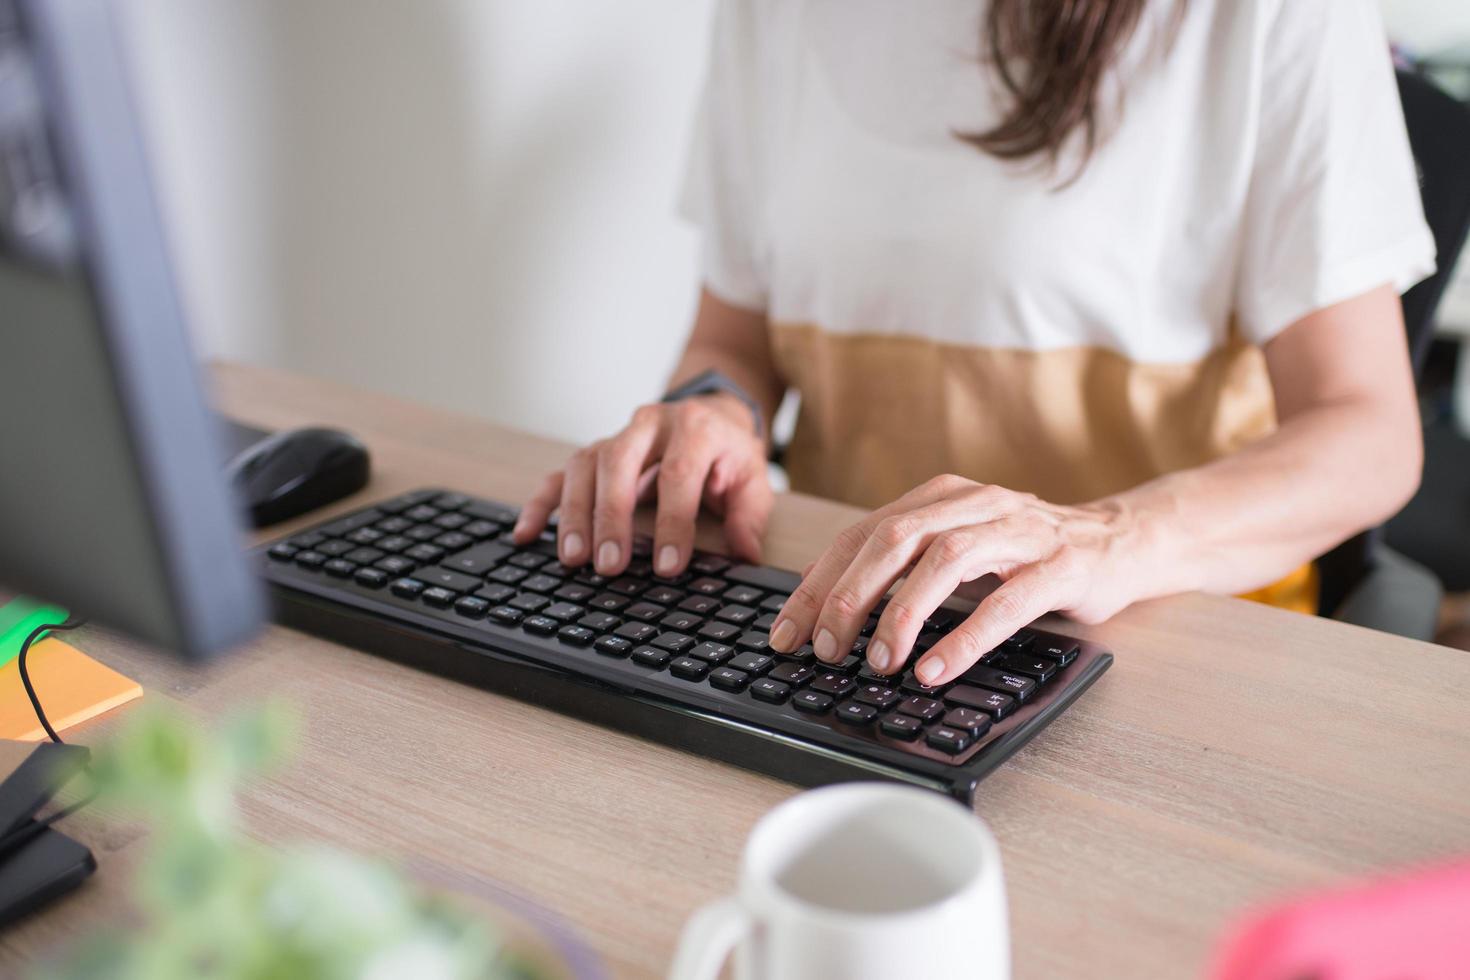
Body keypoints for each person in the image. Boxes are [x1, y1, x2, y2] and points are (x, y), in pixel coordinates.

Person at [513, 0, 1435, 687]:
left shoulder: (1274, 18)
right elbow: (733, 340)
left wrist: (1108, 537)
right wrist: (711, 409)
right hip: (850, 636)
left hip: (1164, 655)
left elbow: (1369, 434)